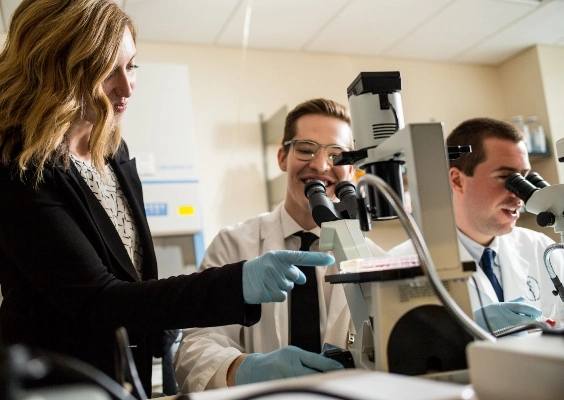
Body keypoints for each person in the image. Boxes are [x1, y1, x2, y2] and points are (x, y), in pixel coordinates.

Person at [0, 1, 336, 397]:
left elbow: (134, 277)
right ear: (57, 68)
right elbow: (98, 300)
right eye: (108, 70)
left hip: (128, 377)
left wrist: (163, 336)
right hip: (59, 384)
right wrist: (237, 283)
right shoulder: (18, 167)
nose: (127, 88)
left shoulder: (112, 150)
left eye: (132, 66)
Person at [174, 98, 389, 393]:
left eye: (337, 155)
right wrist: (244, 370)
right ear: (282, 158)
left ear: (351, 170)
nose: (320, 164)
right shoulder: (233, 244)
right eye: (305, 149)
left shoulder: (374, 258)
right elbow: (195, 346)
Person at [390, 117, 564, 332]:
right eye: (505, 177)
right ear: (457, 180)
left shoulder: (543, 250)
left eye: (524, 178)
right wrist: (460, 333)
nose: (520, 195)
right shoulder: (402, 265)